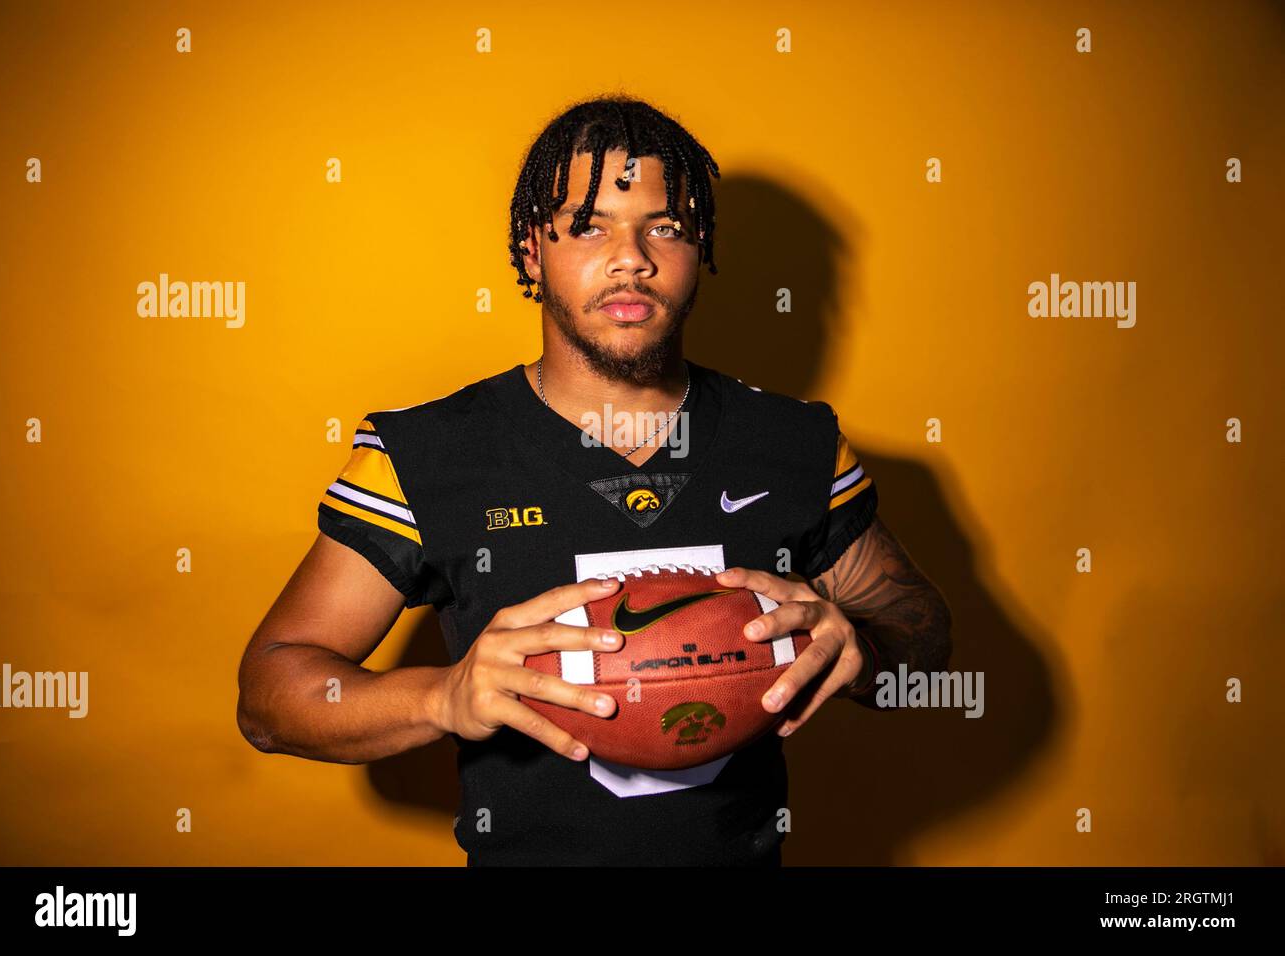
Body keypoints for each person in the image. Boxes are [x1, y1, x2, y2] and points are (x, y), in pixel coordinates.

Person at [237, 95, 952, 866]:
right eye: (588, 226)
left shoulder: (793, 443)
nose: (631, 257)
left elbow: (924, 639)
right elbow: (270, 698)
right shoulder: (428, 453)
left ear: (698, 247)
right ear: (530, 253)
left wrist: (860, 654)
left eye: (665, 227)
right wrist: (442, 697)